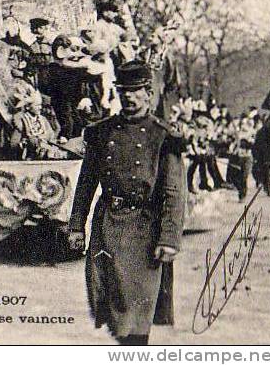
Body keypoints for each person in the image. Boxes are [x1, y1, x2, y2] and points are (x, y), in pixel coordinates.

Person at [68, 61, 186, 346]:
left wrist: (169, 238)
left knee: (137, 314)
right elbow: (86, 184)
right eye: (124, 92)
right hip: (107, 227)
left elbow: (174, 193)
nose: (130, 98)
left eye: (136, 91)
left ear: (148, 93)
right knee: (112, 308)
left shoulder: (164, 136)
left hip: (145, 231)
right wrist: (76, 226)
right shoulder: (101, 133)